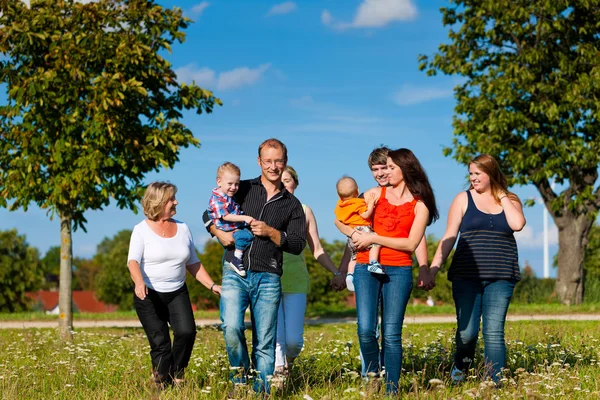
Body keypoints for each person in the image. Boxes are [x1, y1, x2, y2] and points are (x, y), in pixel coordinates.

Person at [203, 138, 306, 394]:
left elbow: (296, 244)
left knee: (266, 340)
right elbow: (209, 212)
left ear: (285, 162)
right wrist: (218, 231)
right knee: (231, 327)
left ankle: (261, 392)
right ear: (259, 162)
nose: (273, 166)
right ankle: (240, 381)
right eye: (268, 161)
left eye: (278, 161)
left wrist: (272, 232)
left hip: (268, 274)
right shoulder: (243, 188)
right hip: (234, 272)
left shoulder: (291, 204)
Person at [338, 148, 439, 394]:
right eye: (381, 168)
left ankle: (391, 390)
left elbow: (412, 242)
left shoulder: (420, 204)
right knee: (365, 330)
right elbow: (343, 220)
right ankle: (372, 377)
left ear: (405, 169)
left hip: (399, 269)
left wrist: (423, 266)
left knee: (392, 335)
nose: (384, 173)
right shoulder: (372, 194)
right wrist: (353, 240)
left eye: (390, 167)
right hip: (365, 267)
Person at [427, 154, 525, 384]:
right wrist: (433, 268)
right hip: (466, 276)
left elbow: (518, 224)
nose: (473, 178)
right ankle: (461, 367)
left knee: (493, 333)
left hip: (501, 275)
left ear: (491, 174)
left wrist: (501, 194)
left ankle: (495, 382)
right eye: (470, 173)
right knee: (467, 333)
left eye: (478, 173)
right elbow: (450, 235)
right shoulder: (463, 199)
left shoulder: (510, 199)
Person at [127, 181, 222, 388]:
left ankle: (177, 373)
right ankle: (162, 383)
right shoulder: (141, 230)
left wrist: (212, 285)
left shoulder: (183, 228)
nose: (176, 202)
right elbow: (132, 261)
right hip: (148, 294)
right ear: (159, 202)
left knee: (187, 332)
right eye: (171, 199)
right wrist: (139, 281)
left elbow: (193, 263)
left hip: (177, 291)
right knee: (160, 342)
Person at [275, 166, 342, 376]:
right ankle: (277, 376)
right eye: (279, 180)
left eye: (287, 180)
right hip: (268, 280)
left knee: (293, 342)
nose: (283, 184)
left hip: (296, 281)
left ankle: (289, 362)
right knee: (275, 340)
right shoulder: (265, 209)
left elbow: (317, 248)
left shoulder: (304, 211)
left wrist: (336, 272)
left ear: (295, 183)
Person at [334, 176, 382, 292]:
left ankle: (350, 274)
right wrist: (370, 204)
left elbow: (338, 220)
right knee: (376, 242)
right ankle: (373, 263)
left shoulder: (339, 206)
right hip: (362, 229)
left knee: (354, 257)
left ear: (339, 196)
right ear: (358, 192)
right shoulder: (358, 203)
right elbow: (365, 215)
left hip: (350, 236)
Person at [207, 162, 254, 276]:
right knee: (245, 236)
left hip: (232, 227)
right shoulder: (217, 199)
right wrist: (244, 217)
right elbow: (226, 216)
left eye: (236, 184)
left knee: (247, 236)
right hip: (227, 229)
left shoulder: (227, 196)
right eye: (230, 184)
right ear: (219, 182)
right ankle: (236, 260)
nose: (233, 187)